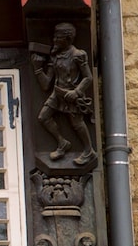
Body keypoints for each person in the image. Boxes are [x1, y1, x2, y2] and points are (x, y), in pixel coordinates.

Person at [32, 23, 95, 165]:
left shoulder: (78, 55)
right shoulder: (55, 56)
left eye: (58, 38)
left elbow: (88, 77)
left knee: (77, 124)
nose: (54, 40)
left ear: (68, 39)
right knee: (43, 117)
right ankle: (62, 142)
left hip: (70, 95)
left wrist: (77, 92)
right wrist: (37, 69)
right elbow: (46, 83)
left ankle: (89, 151)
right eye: (54, 37)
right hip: (57, 93)